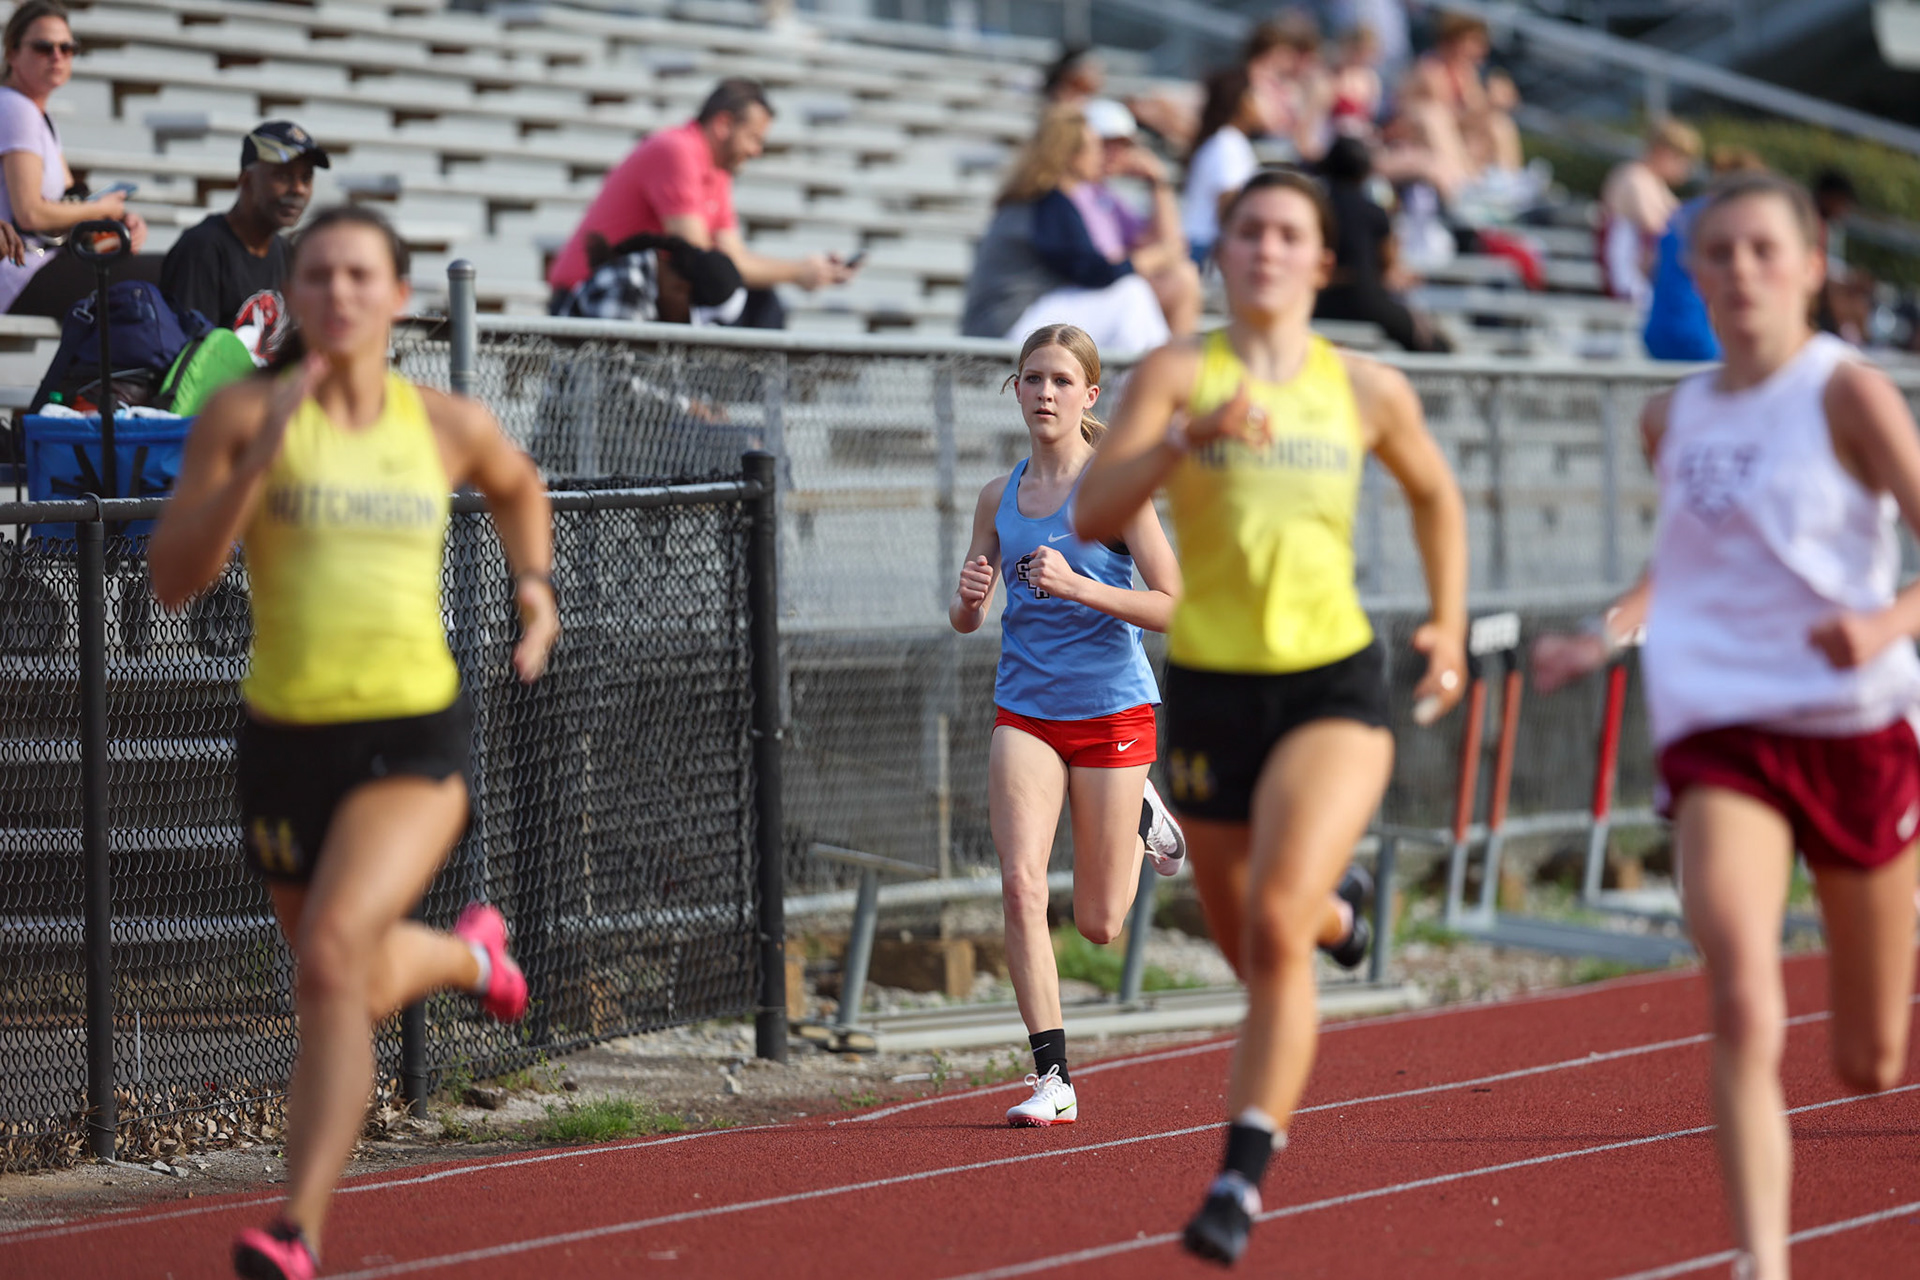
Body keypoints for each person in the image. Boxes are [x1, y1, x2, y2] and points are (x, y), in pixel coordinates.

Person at [148, 204, 558, 1280]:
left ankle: (294, 1228)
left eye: (359, 274)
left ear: (397, 295)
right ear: (293, 292)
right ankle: (473, 953)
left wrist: (535, 589)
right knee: (337, 976)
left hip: (409, 734)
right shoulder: (243, 412)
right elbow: (171, 578)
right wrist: (252, 473)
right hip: (284, 738)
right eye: (319, 274)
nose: (339, 292)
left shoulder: (443, 423)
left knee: (330, 958)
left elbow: (519, 485)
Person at [1074, 168, 1468, 1265]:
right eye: (1246, 230)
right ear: (1222, 252)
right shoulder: (1174, 373)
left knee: (1279, 915)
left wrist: (1446, 619)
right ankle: (1345, 920)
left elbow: (1435, 492)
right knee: (1262, 944)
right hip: (1210, 688)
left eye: (1289, 233)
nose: (1265, 249)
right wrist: (1179, 443)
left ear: (1322, 261)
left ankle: (1239, 1177)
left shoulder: (1366, 387)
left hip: (1332, 682)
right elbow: (1100, 507)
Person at [1532, 172, 1920, 1280]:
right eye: (1720, 253)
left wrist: (1884, 619)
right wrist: (1602, 632)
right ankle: (1763, 1260)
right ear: (1692, 272)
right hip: (1727, 728)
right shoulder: (1676, 413)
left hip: (1854, 727)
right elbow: (1686, 568)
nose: (1741, 272)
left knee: (1871, 1056)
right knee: (1743, 984)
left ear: (1808, 266)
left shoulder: (1848, 394)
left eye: (1764, 250)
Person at [949, 323, 1187, 1126]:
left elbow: (1173, 603)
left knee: (1099, 923)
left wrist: (1083, 587)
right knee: (1019, 885)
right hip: (1026, 709)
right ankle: (1053, 1079)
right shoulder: (997, 495)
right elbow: (963, 618)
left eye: (1059, 380)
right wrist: (970, 597)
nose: (1044, 393)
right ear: (1014, 390)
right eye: (1031, 378)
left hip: (1113, 707)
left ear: (1088, 396)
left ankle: (1143, 816)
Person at [546, 78, 857, 328]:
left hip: (642, 298)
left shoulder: (715, 169)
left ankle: (737, 403)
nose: (757, 151)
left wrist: (805, 270)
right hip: (595, 299)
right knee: (751, 302)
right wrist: (797, 272)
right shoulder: (676, 150)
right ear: (723, 125)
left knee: (757, 300)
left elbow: (731, 257)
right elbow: (699, 260)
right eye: (753, 138)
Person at [960, 106, 1176, 353]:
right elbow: (1093, 272)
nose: (1100, 155)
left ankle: (1151, 385)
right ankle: (1159, 385)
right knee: (1131, 295)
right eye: (1093, 147)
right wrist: (1149, 259)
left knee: (1132, 295)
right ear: (1069, 154)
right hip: (1005, 327)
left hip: (1020, 318)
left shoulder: (1051, 198)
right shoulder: (1045, 202)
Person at [0, 0, 152, 317]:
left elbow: (71, 200)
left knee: (155, 277)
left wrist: (116, 219)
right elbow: (30, 214)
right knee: (167, 274)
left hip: (40, 262)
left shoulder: (36, 112)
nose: (57, 56)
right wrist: (104, 209)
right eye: (44, 47)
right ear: (12, 53)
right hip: (19, 272)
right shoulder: (16, 108)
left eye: (68, 47)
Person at [161, 120, 328, 362]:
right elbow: (190, 364)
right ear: (246, 180)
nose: (299, 189)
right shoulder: (202, 248)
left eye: (306, 178)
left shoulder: (287, 253)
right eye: (283, 176)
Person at [1313, 134, 1450, 352]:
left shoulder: (1314, 210)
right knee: (1432, 343)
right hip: (1365, 300)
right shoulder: (1374, 212)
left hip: (1318, 301)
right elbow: (1388, 268)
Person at [1078, 98, 1201, 335]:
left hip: (1106, 294)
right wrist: (1159, 255)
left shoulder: (1105, 196)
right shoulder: (1073, 192)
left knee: (1182, 275)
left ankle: (1176, 366)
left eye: (1122, 145)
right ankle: (1176, 367)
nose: (1115, 153)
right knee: (1182, 280)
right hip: (1085, 296)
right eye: (1106, 143)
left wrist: (1158, 183)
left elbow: (1169, 244)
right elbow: (1102, 268)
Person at [1642, 145, 1765, 362]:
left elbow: (1647, 265)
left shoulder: (1682, 212)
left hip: (1655, 335)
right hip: (1695, 340)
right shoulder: (1722, 219)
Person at [1600, 118, 1702, 307]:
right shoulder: (1633, 177)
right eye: (1682, 160)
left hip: (1644, 276)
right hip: (1628, 278)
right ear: (1662, 152)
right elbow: (1656, 228)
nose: (1686, 169)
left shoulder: (1655, 183)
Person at [1180, 68, 1262, 266]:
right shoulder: (1228, 143)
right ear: (1242, 102)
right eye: (1255, 96)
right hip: (1206, 248)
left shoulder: (1226, 141)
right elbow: (1227, 205)